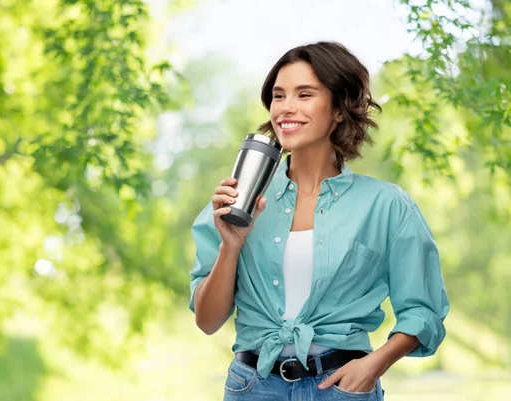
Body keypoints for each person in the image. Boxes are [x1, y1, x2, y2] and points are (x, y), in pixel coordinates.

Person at [188, 41, 449, 401]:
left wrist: (374, 364)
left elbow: (423, 310)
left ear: (340, 109)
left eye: (304, 94)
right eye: (278, 96)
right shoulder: (237, 202)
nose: (286, 108)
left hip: (342, 387)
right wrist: (231, 246)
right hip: (253, 388)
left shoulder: (386, 205)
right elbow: (207, 321)